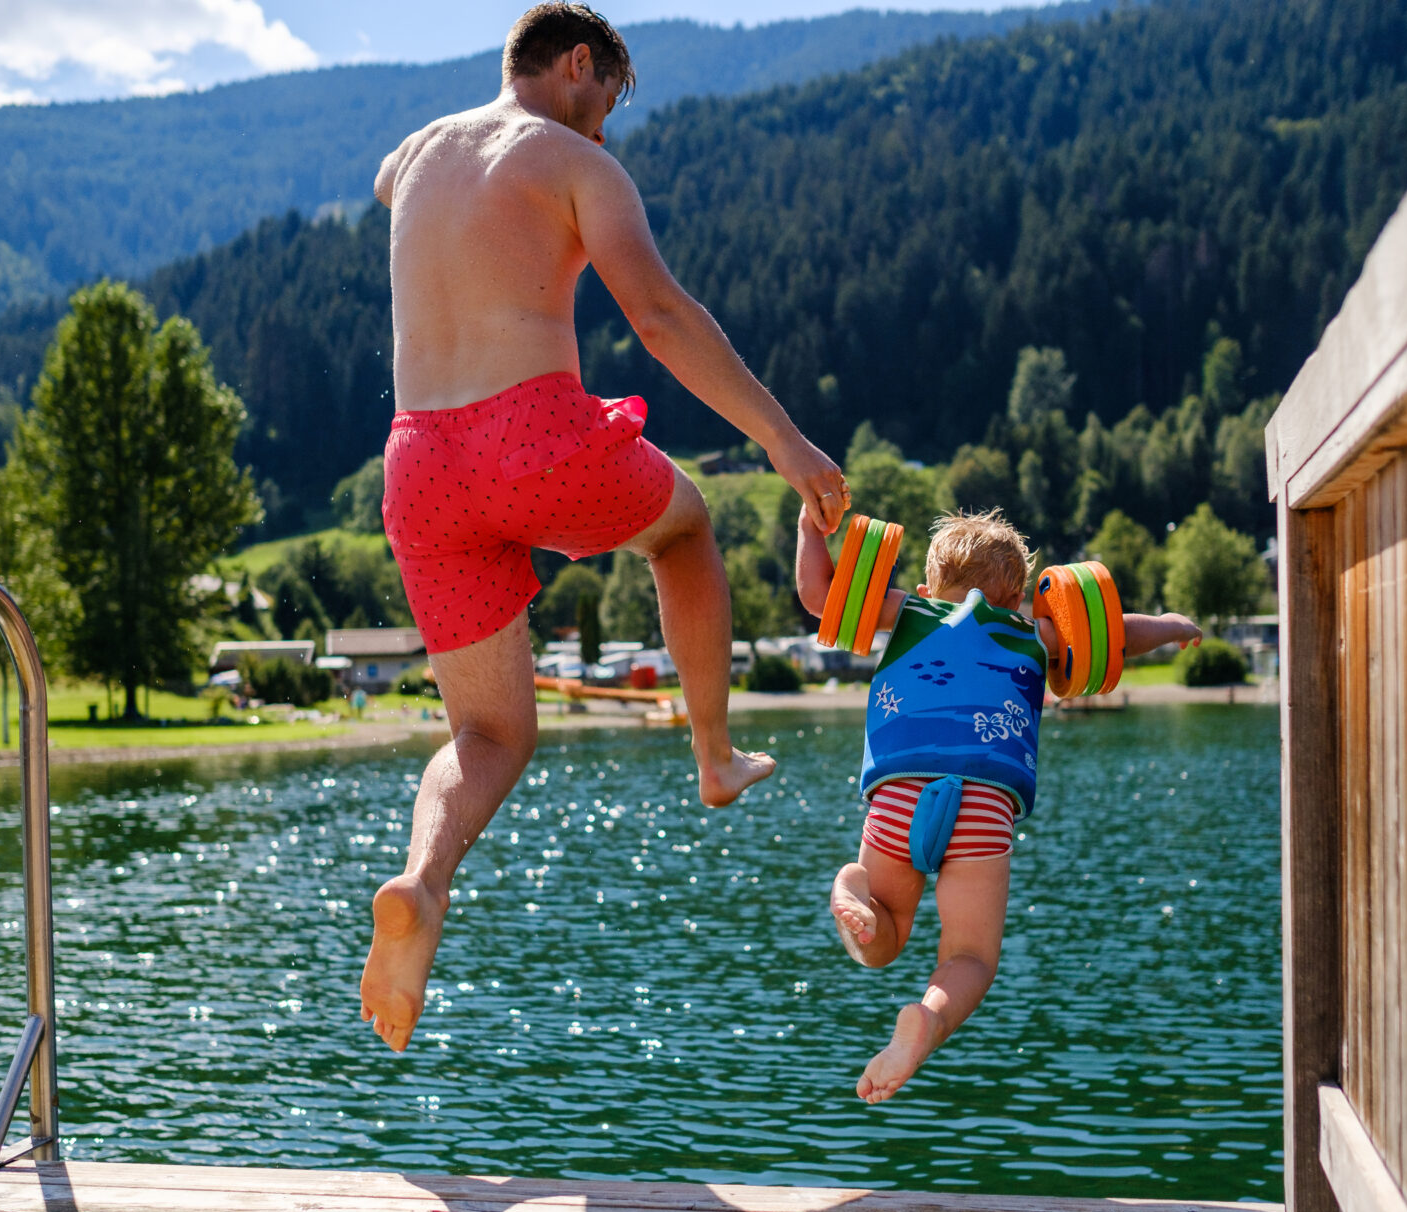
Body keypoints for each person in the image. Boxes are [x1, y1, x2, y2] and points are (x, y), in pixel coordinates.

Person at [362, 3, 848, 1053]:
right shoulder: (573, 165)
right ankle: (715, 754)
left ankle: (420, 880)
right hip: (526, 431)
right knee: (685, 526)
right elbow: (662, 318)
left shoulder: (415, 156)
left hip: (418, 466)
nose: (605, 131)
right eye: (608, 102)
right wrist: (784, 440)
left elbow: (386, 176)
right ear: (578, 64)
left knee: (486, 734)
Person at [795, 508, 1202, 1102]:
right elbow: (1114, 635)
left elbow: (819, 595)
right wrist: (1169, 624)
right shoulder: (1032, 631)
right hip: (984, 804)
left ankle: (853, 890)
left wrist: (810, 530)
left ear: (932, 586)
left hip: (900, 793)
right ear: (1019, 594)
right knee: (970, 955)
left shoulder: (911, 610)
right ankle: (929, 1020)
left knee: (883, 939)